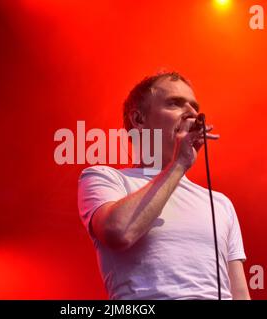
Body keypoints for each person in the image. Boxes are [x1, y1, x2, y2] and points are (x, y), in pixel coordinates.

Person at [77, 71, 250, 300]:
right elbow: (119, 232)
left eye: (194, 106)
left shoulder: (220, 203)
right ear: (138, 119)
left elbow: (239, 294)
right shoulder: (106, 179)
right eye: (175, 104)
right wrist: (180, 163)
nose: (192, 113)